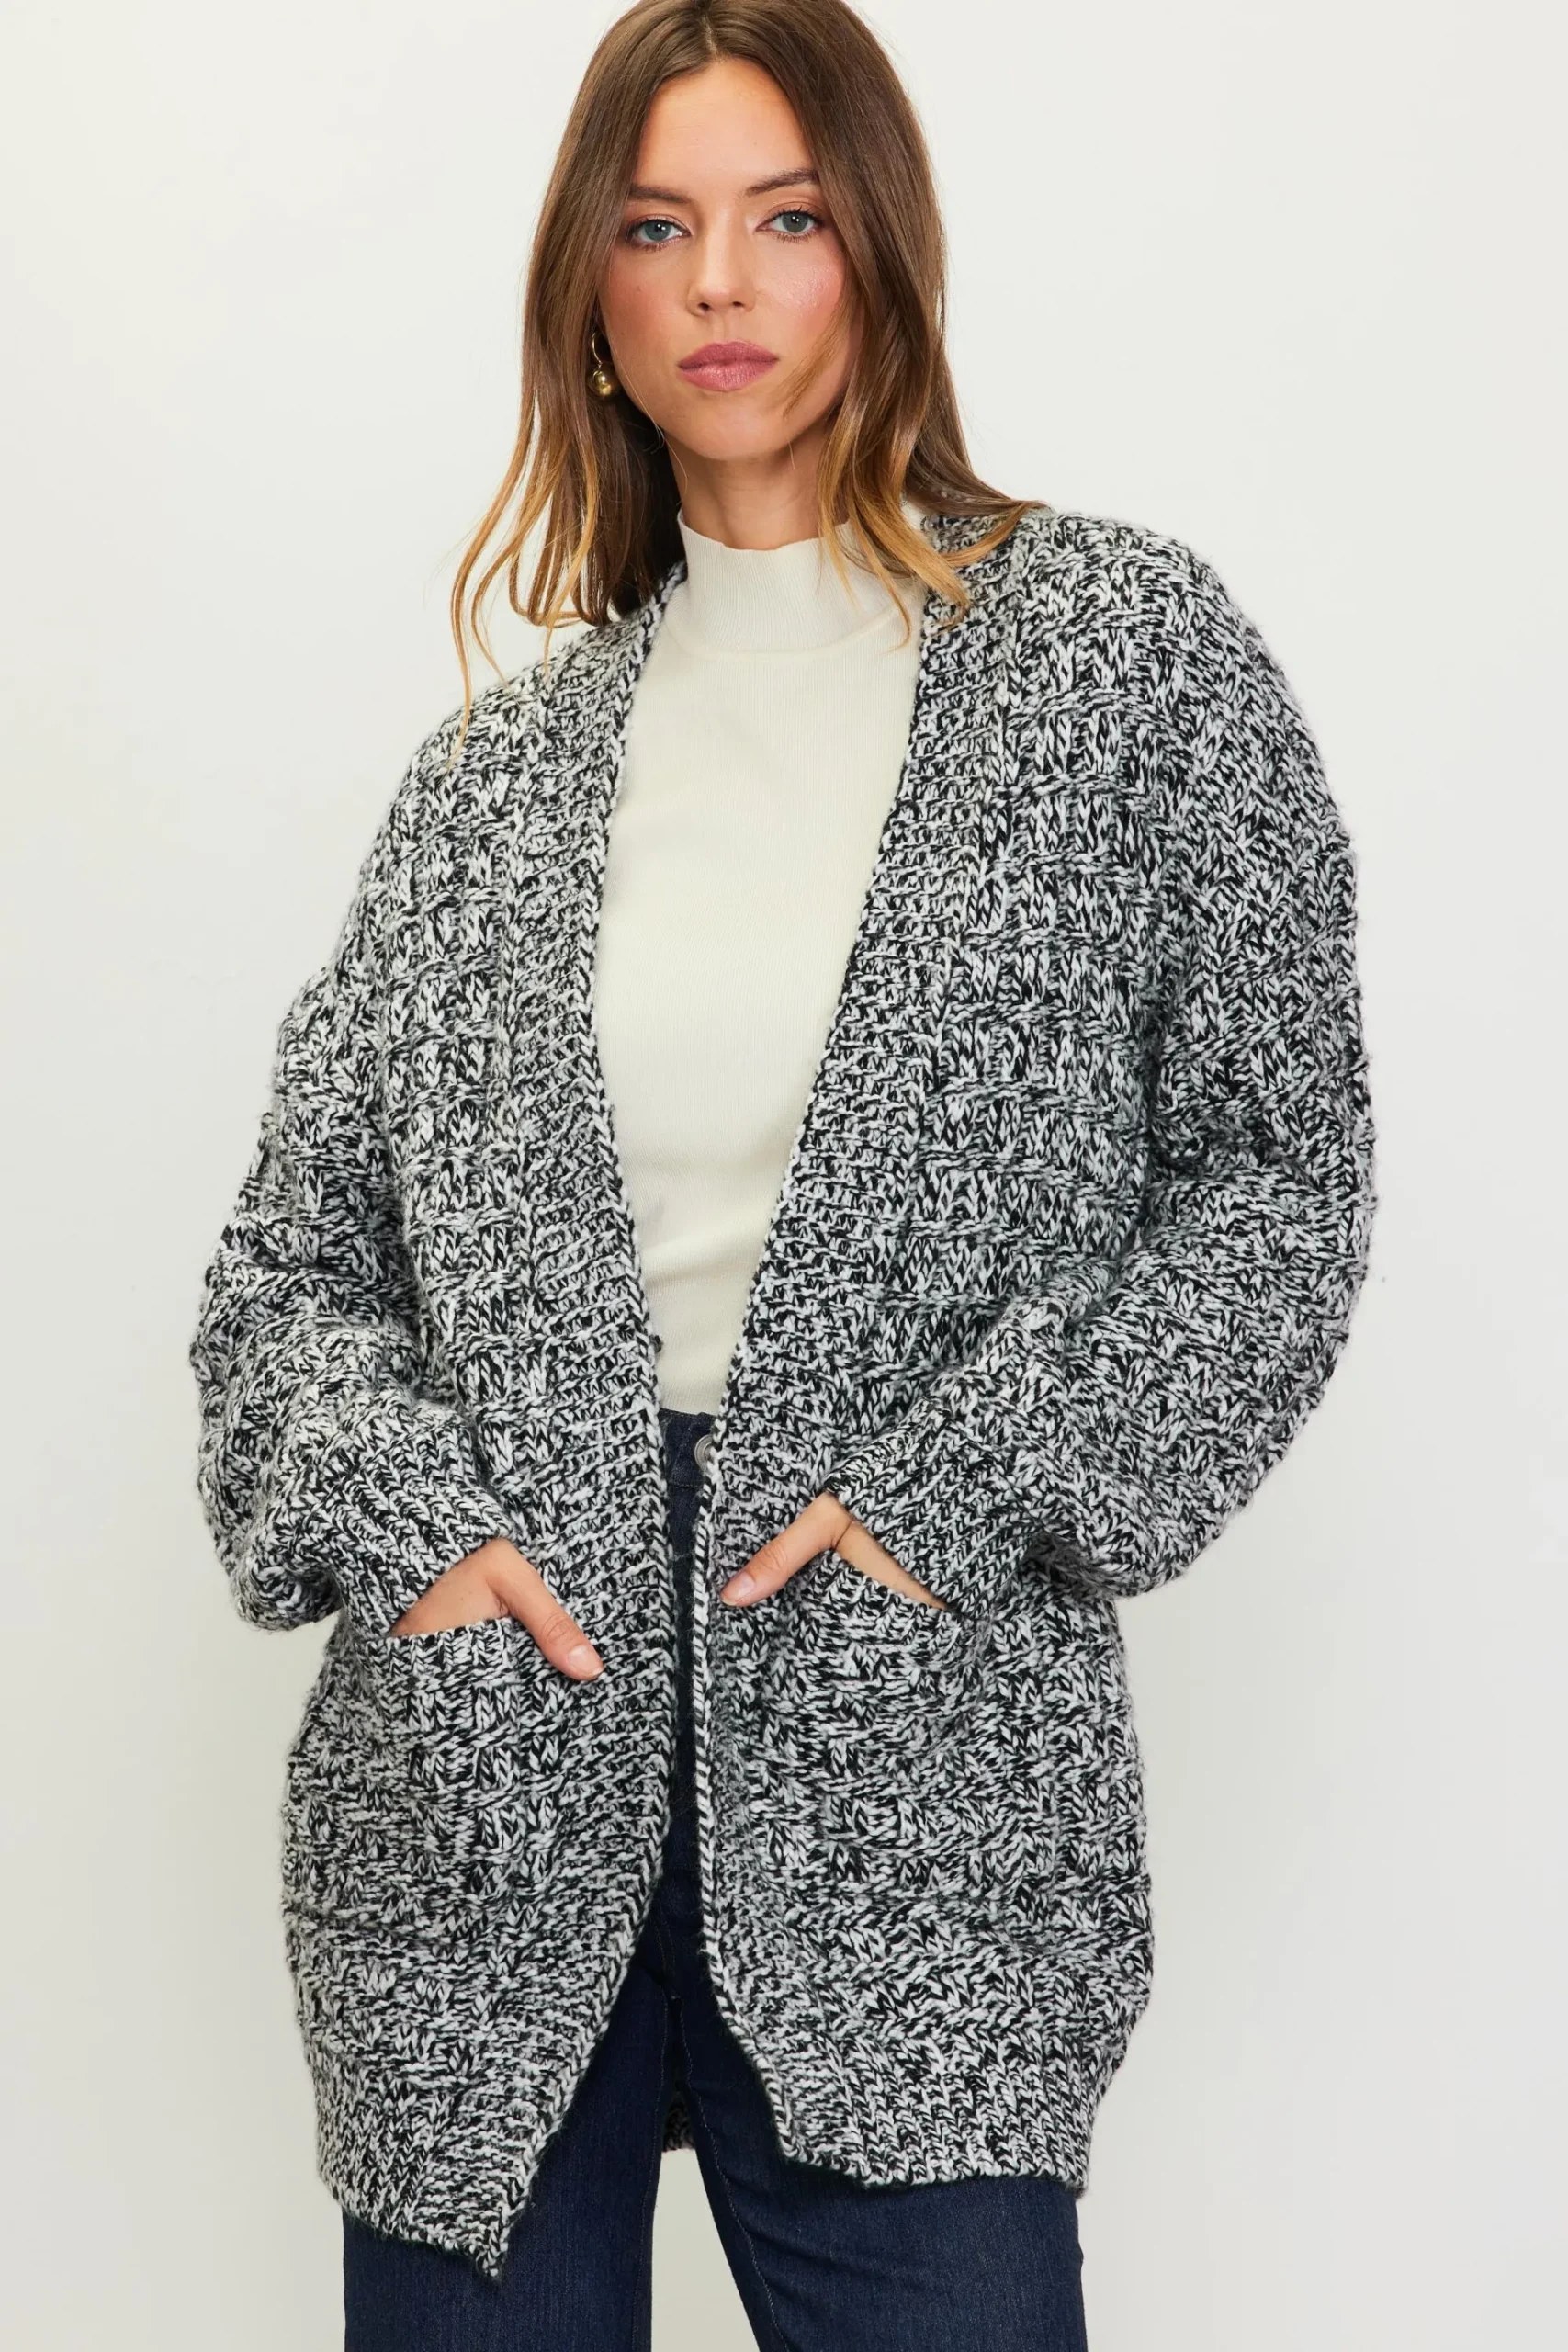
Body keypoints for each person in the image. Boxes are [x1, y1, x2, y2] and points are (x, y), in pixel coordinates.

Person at [186, 3, 1378, 2345]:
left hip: (909, 1768)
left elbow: (1277, 1178)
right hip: (486, 1790)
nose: (719, 281)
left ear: (879, 253)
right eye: (655, 228)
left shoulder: (1117, 663)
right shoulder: (487, 795)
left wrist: (973, 1484)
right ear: (591, 299)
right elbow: (287, 1276)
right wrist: (417, 1527)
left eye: (786, 218)